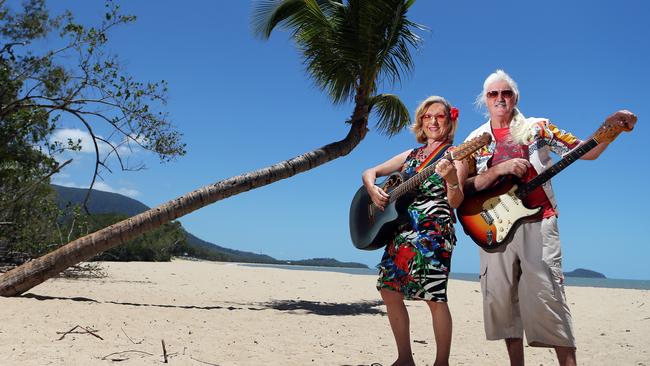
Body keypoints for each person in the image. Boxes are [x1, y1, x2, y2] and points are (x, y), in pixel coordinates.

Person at [459, 69, 637, 366]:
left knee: (549, 297)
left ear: (515, 97)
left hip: (539, 219)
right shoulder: (475, 138)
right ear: (484, 100)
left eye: (506, 93)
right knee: (502, 303)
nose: (500, 98)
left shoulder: (538, 127)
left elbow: (585, 152)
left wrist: (610, 129)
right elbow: (462, 187)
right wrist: (496, 171)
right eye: (493, 94)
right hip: (493, 226)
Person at [362, 96, 466, 366]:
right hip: (401, 229)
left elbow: (456, 201)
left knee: (434, 296)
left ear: (449, 121)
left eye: (440, 116)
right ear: (421, 121)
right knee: (388, 289)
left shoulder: (457, 155)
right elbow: (370, 171)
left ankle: (441, 363)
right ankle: (405, 359)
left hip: (434, 231)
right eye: (427, 116)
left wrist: (452, 179)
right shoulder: (411, 155)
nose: (433, 121)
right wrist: (373, 189)